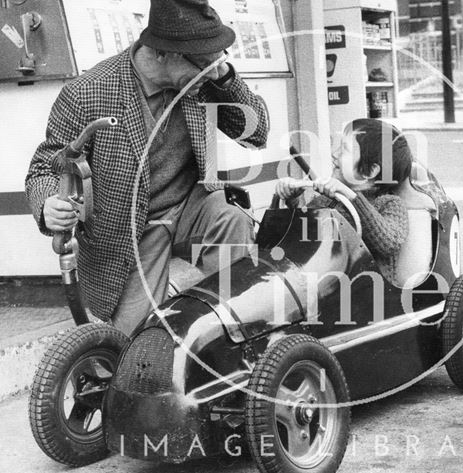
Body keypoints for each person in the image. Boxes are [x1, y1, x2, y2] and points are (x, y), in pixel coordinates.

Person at [25, 0, 269, 335]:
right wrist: (48, 204)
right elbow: (44, 168)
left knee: (233, 221)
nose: (210, 72)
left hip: (190, 209)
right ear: (161, 54)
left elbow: (256, 132)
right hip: (130, 231)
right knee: (129, 346)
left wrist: (222, 73)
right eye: (203, 64)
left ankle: (227, 337)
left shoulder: (202, 81)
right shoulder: (88, 92)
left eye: (216, 62)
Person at [276, 118, 411, 285]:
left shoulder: (390, 204)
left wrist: (349, 195)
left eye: (344, 150)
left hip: (366, 293)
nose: (334, 154)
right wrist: (292, 200)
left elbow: (389, 243)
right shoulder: (327, 199)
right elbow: (304, 236)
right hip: (320, 283)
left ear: (370, 170)